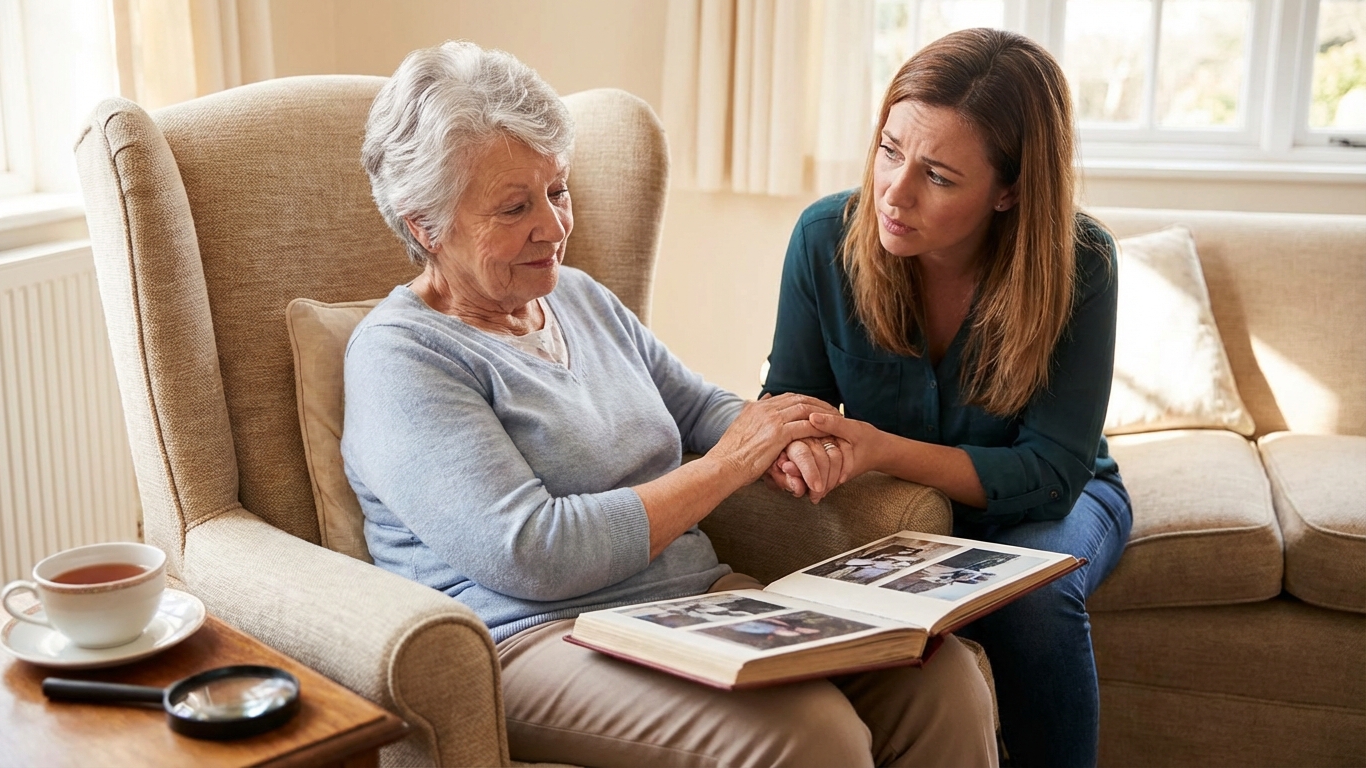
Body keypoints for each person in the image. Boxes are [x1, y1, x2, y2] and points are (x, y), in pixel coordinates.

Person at [343, 40, 998, 767]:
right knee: (809, 735)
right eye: (514, 207)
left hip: (693, 603)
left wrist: (786, 442)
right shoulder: (402, 357)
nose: (555, 228)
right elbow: (531, 551)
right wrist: (728, 464)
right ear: (424, 225)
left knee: (941, 679)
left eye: (557, 192)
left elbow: (697, 407)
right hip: (538, 634)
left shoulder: (578, 297)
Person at [760, 28, 1133, 768]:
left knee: (1031, 600)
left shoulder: (1080, 263)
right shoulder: (822, 239)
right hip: (899, 510)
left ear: (1010, 190)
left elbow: (1051, 474)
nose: (893, 193)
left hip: (1053, 502)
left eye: (937, 174)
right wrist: (797, 448)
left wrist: (880, 449)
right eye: (890, 150)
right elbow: (788, 400)